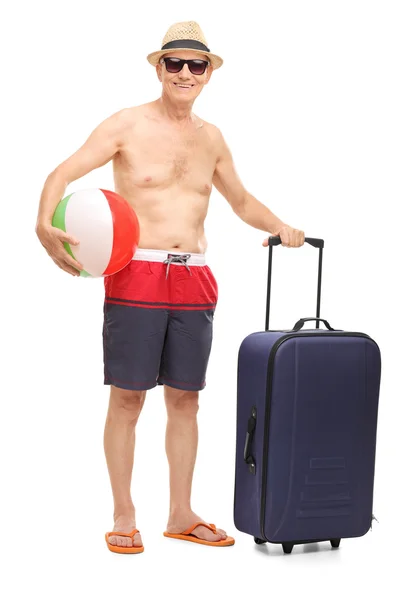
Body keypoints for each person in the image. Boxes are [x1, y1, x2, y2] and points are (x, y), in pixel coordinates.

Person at [35, 21, 305, 553]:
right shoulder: (126, 125)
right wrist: (45, 223)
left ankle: (181, 514)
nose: (185, 73)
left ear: (208, 74)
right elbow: (60, 174)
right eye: (174, 63)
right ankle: (123, 514)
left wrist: (282, 227)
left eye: (195, 65)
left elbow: (242, 202)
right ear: (159, 68)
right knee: (129, 399)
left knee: (186, 401)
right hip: (136, 271)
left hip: (195, 277)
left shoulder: (213, 139)